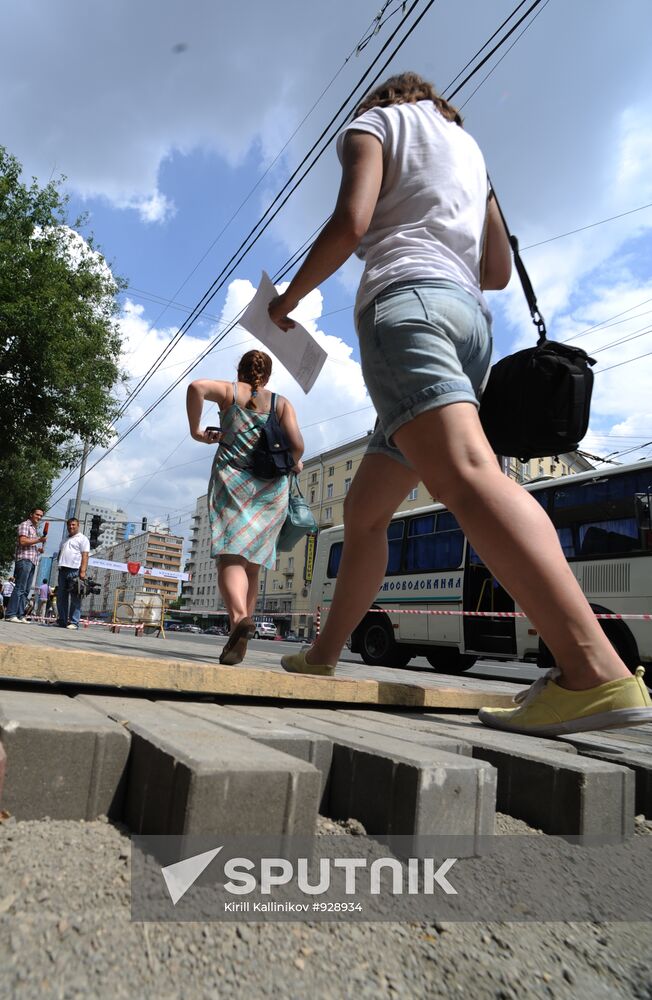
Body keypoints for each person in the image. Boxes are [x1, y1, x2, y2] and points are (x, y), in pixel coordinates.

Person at [268, 71, 652, 736]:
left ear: (384, 99)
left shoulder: (375, 126)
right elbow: (497, 270)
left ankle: (595, 672)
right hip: (469, 323)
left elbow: (351, 220)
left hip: (406, 307)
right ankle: (324, 655)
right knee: (364, 514)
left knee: (470, 477)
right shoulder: (472, 154)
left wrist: (287, 299)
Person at [186, 349, 304, 665]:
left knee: (229, 556)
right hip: (271, 491)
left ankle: (239, 620)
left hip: (232, 480)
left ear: (240, 370)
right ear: (267, 376)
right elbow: (298, 445)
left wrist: (197, 432)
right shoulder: (281, 403)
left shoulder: (229, 391)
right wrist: (292, 462)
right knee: (252, 564)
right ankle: (239, 636)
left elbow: (196, 386)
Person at [5, 508, 47, 622]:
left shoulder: (34, 529)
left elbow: (29, 546)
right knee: (20, 587)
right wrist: (39, 539)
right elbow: (22, 541)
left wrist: (38, 550)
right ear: (31, 514)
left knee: (26, 590)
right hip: (24, 560)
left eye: (41, 516)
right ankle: (10, 614)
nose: (39, 517)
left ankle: (20, 614)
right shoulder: (25, 525)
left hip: (32, 561)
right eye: (37, 514)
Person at [56, 517, 90, 629]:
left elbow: (85, 555)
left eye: (73, 525)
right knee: (61, 597)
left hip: (74, 571)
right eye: (69, 525)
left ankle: (74, 622)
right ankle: (62, 620)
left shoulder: (82, 539)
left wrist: (83, 571)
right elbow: (60, 553)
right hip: (62, 570)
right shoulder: (64, 539)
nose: (71, 527)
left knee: (75, 597)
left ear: (78, 525)